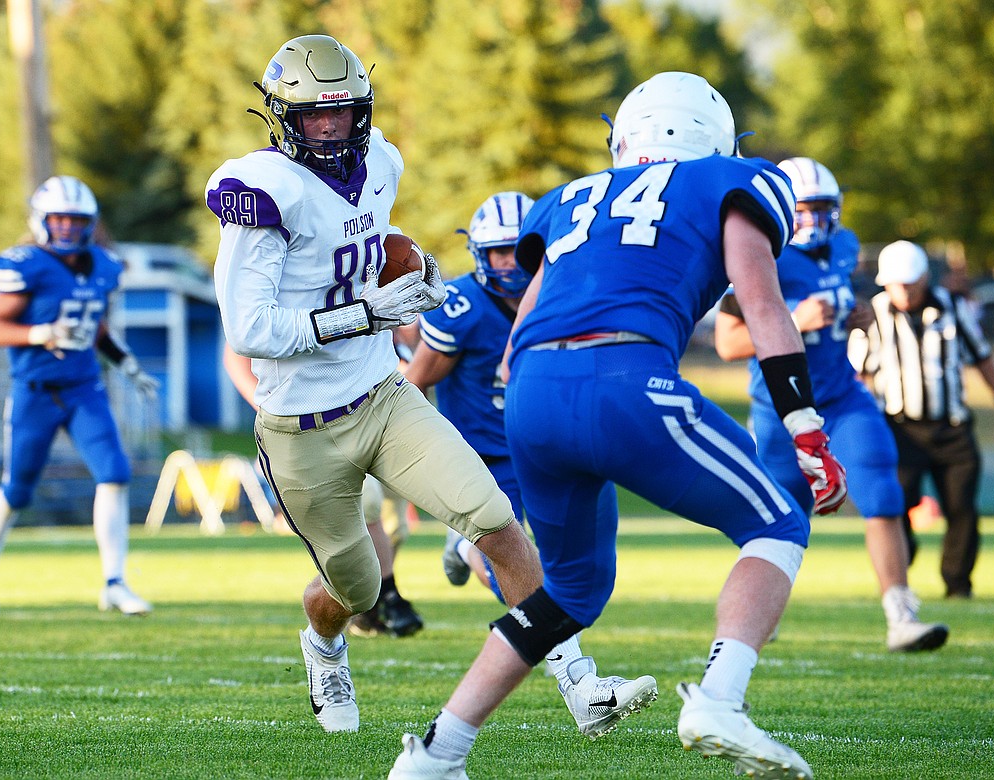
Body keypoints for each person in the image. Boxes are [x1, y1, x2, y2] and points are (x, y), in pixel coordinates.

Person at [388, 72, 846, 780]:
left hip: (532, 395)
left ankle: (437, 755)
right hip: (626, 376)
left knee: (569, 593)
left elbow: (517, 340)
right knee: (777, 522)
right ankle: (720, 701)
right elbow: (762, 305)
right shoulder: (730, 180)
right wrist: (806, 426)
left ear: (626, 135)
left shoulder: (568, 199)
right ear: (713, 138)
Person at [206, 34, 547, 736]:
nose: (329, 128)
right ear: (282, 118)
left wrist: (415, 268)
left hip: (383, 394)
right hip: (300, 424)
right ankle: (325, 647)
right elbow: (250, 329)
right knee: (355, 590)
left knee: (494, 520)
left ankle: (580, 677)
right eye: (312, 116)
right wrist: (363, 314)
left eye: (342, 112)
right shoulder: (263, 191)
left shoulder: (381, 160)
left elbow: (371, 239)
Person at [404, 191, 658, 739]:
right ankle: (581, 684)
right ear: (477, 255)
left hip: (544, 446)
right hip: (476, 460)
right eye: (495, 254)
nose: (508, 265)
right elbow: (412, 384)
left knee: (583, 565)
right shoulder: (464, 307)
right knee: (514, 561)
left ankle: (462, 549)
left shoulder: (567, 293)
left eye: (517, 252)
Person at [713, 157, 949, 652]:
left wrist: (855, 314)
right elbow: (728, 344)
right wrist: (795, 319)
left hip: (843, 397)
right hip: (781, 406)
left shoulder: (844, 246)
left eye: (823, 209)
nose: (814, 221)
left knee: (883, 493)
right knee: (780, 521)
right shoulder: (759, 247)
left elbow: (838, 303)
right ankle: (758, 614)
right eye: (803, 209)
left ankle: (901, 615)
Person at [0, 174, 160, 619]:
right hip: (34, 391)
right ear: (41, 221)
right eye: (60, 219)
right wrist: (41, 332)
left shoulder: (105, 266)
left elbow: (96, 325)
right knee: (17, 490)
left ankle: (114, 582)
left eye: (76, 220)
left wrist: (126, 363)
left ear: (90, 223)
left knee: (114, 473)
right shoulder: (25, 265)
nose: (68, 228)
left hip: (83, 388)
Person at [221, 344, 423, 637]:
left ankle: (371, 605)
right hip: (323, 422)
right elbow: (236, 353)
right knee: (365, 508)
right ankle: (386, 597)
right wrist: (271, 407)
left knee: (396, 527)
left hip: (381, 410)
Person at [853, 240, 994, 600]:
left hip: (952, 428)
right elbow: (859, 376)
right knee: (895, 505)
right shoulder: (872, 315)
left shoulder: (953, 308)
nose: (903, 290)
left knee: (961, 509)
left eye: (909, 282)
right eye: (895, 283)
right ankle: (898, 577)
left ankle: (958, 586)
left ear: (924, 277)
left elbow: (983, 357)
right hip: (898, 430)